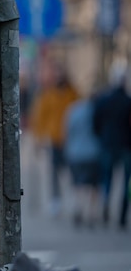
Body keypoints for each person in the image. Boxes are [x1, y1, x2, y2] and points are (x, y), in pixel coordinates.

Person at [29, 65, 80, 217]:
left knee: (72, 171)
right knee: (54, 172)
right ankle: (56, 201)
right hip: (54, 139)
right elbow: (40, 117)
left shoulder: (73, 94)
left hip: (71, 139)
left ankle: (73, 198)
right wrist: (38, 138)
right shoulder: (48, 95)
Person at [92, 72, 131, 230]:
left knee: (107, 179)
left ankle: (106, 205)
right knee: (125, 182)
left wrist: (101, 136)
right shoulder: (128, 101)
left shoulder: (104, 101)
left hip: (108, 144)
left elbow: (95, 121)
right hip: (126, 146)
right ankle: (122, 215)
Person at [63, 96, 101, 227]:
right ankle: (91, 213)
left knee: (77, 184)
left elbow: (67, 131)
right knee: (93, 186)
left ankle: (78, 208)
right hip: (93, 152)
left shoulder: (73, 110)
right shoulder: (95, 110)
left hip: (75, 152)